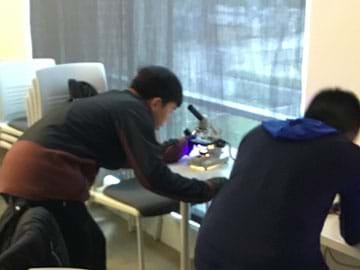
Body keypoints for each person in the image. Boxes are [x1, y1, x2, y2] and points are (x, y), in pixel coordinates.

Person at [0, 66, 226, 270]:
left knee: (81, 243)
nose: (167, 119)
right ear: (156, 103)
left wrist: (181, 147)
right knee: (82, 251)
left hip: (21, 169)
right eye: (171, 110)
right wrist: (206, 189)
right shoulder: (134, 111)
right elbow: (153, 177)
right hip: (43, 177)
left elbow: (135, 155)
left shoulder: (118, 102)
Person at [195, 88, 360, 270]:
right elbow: (352, 233)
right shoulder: (347, 154)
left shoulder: (258, 133)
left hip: (209, 252)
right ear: (352, 130)